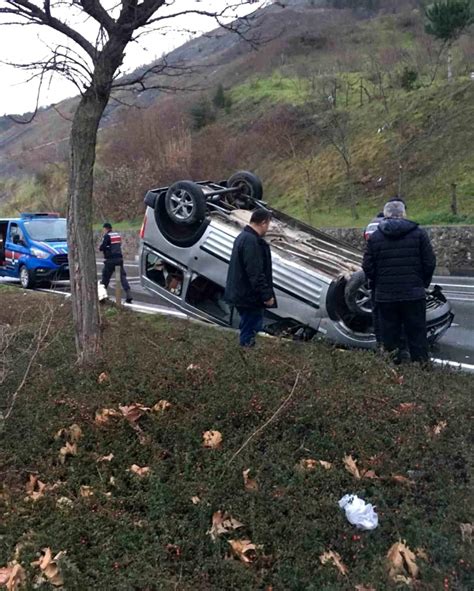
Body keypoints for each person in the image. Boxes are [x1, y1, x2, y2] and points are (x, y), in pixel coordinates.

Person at [362, 200, 436, 363]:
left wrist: (377, 283)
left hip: (385, 296)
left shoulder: (375, 237)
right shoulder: (419, 234)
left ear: (385, 215)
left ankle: (395, 373)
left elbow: (367, 265)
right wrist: (422, 283)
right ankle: (421, 371)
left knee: (390, 338)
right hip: (413, 294)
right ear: (404, 214)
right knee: (417, 336)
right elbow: (429, 262)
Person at [225, 208, 276, 347]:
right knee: (250, 329)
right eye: (269, 224)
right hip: (248, 297)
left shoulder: (243, 237)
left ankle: (247, 358)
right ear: (264, 223)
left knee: (248, 326)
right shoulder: (251, 241)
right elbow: (255, 272)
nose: (268, 228)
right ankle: (247, 360)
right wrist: (266, 295)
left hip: (242, 294)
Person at [99, 222, 132, 304]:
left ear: (105, 228)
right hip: (119, 259)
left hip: (110, 260)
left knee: (105, 277)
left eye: (103, 229)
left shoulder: (107, 236)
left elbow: (102, 247)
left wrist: (103, 248)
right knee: (122, 277)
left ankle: (102, 296)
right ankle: (128, 294)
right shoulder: (117, 235)